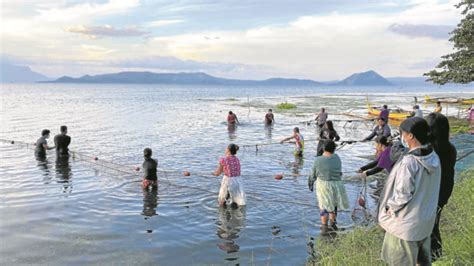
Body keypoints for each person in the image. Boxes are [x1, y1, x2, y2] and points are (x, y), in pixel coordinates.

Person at [378, 117, 441, 266]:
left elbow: (402, 195)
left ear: (410, 135)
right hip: (424, 222)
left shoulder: (409, 162)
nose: (402, 137)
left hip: (405, 226)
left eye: (402, 134)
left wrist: (389, 208)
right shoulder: (433, 156)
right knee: (421, 262)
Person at [426, 113, 457, 260]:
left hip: (432, 192)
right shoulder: (450, 149)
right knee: (434, 224)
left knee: (428, 227)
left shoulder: (430, 151)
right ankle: (436, 256)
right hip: (444, 191)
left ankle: (432, 257)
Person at [308, 140, 349, 230]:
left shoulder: (318, 160)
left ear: (323, 148)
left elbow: (313, 176)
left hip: (324, 186)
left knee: (324, 207)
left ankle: (324, 228)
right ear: (334, 148)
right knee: (333, 206)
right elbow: (339, 173)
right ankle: (333, 225)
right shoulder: (337, 157)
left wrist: (310, 185)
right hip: (337, 185)